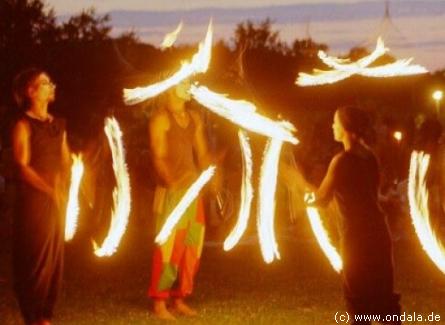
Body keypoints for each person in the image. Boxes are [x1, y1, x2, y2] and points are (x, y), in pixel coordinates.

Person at [302, 106, 401, 325]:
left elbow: (321, 198)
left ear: (346, 128)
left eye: (335, 122)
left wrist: (305, 195)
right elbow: (372, 194)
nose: (332, 126)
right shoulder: (370, 157)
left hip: (356, 238)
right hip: (378, 233)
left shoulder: (341, 161)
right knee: (384, 298)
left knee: (358, 299)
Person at [148, 79, 212, 320]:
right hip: (172, 194)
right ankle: (159, 302)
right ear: (172, 87)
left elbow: (202, 152)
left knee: (192, 249)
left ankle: (180, 298)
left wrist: (209, 176)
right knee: (169, 251)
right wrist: (173, 183)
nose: (189, 86)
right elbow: (158, 156)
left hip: (193, 194)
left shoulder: (194, 118)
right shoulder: (160, 119)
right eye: (184, 82)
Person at [11, 68, 70, 325]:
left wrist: (71, 183)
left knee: (55, 259)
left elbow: (66, 160)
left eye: (50, 82)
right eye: (45, 83)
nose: (51, 86)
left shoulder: (58, 125)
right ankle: (33, 316)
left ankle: (45, 314)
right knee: (37, 258)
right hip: (35, 203)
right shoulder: (23, 125)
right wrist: (49, 190)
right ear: (31, 91)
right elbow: (21, 167)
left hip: (58, 200)